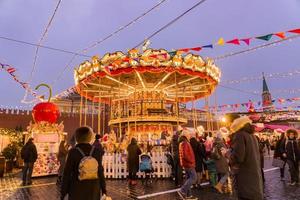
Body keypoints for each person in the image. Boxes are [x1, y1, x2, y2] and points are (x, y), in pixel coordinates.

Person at [222, 115, 263, 200]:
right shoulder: (252, 135)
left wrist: (226, 153)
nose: (228, 125)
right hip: (253, 178)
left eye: (229, 123)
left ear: (234, 122)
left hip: (244, 178)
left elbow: (238, 157)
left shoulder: (239, 135)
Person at [61, 126, 106, 200]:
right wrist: (104, 190)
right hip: (94, 189)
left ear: (77, 138)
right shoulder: (96, 151)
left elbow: (67, 173)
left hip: (77, 189)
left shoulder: (73, 152)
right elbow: (100, 171)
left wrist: (63, 193)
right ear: (90, 137)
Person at [177, 131, 197, 200]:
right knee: (193, 177)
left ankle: (189, 195)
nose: (189, 136)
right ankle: (182, 190)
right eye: (188, 134)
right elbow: (185, 155)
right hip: (189, 164)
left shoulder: (183, 142)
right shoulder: (185, 142)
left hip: (186, 164)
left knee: (189, 178)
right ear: (185, 135)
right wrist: (191, 161)